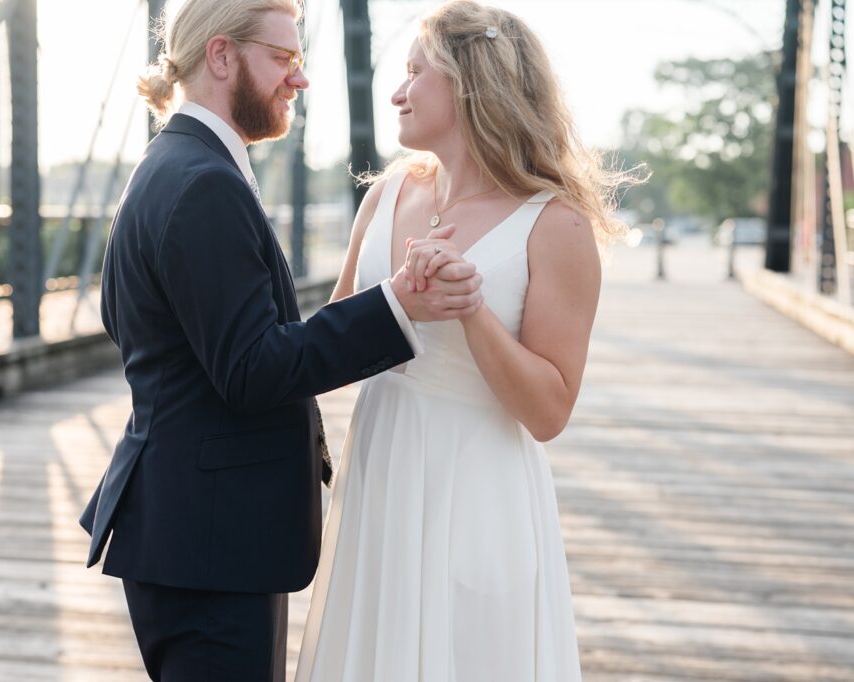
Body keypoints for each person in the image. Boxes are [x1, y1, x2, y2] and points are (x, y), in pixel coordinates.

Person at [77, 1, 485, 680]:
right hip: (211, 542)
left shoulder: (167, 165)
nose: (298, 80)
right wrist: (398, 305)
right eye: (284, 59)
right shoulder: (205, 183)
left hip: (190, 529)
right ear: (220, 56)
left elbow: (130, 322)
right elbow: (252, 369)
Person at [295, 1, 635, 679]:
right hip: (379, 482)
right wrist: (398, 298)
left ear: (470, 82)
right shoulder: (385, 196)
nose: (396, 91)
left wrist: (469, 308)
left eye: (415, 72)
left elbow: (548, 412)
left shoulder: (555, 225)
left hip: (477, 495)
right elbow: (321, 360)